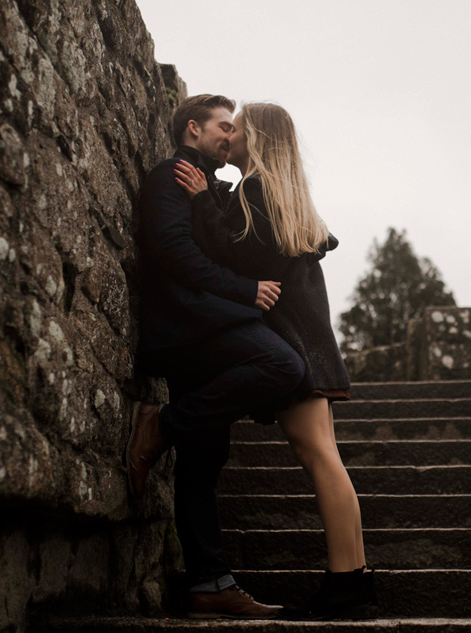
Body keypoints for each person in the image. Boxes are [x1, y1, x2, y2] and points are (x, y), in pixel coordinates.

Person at [173, 102, 376, 620]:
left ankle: (345, 583)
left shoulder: (254, 190)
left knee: (317, 457)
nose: (230, 134)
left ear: (256, 139)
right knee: (326, 456)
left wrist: (200, 201)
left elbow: (241, 258)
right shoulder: (284, 195)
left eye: (237, 127)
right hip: (313, 342)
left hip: (294, 346)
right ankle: (354, 577)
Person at [127, 94, 306, 620]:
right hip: (189, 325)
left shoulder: (212, 185)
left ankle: (209, 582)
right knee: (284, 365)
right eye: (223, 127)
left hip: (205, 325)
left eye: (235, 129)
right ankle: (162, 423)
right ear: (192, 129)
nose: (231, 136)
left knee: (204, 461)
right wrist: (246, 290)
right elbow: (173, 252)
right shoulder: (172, 174)